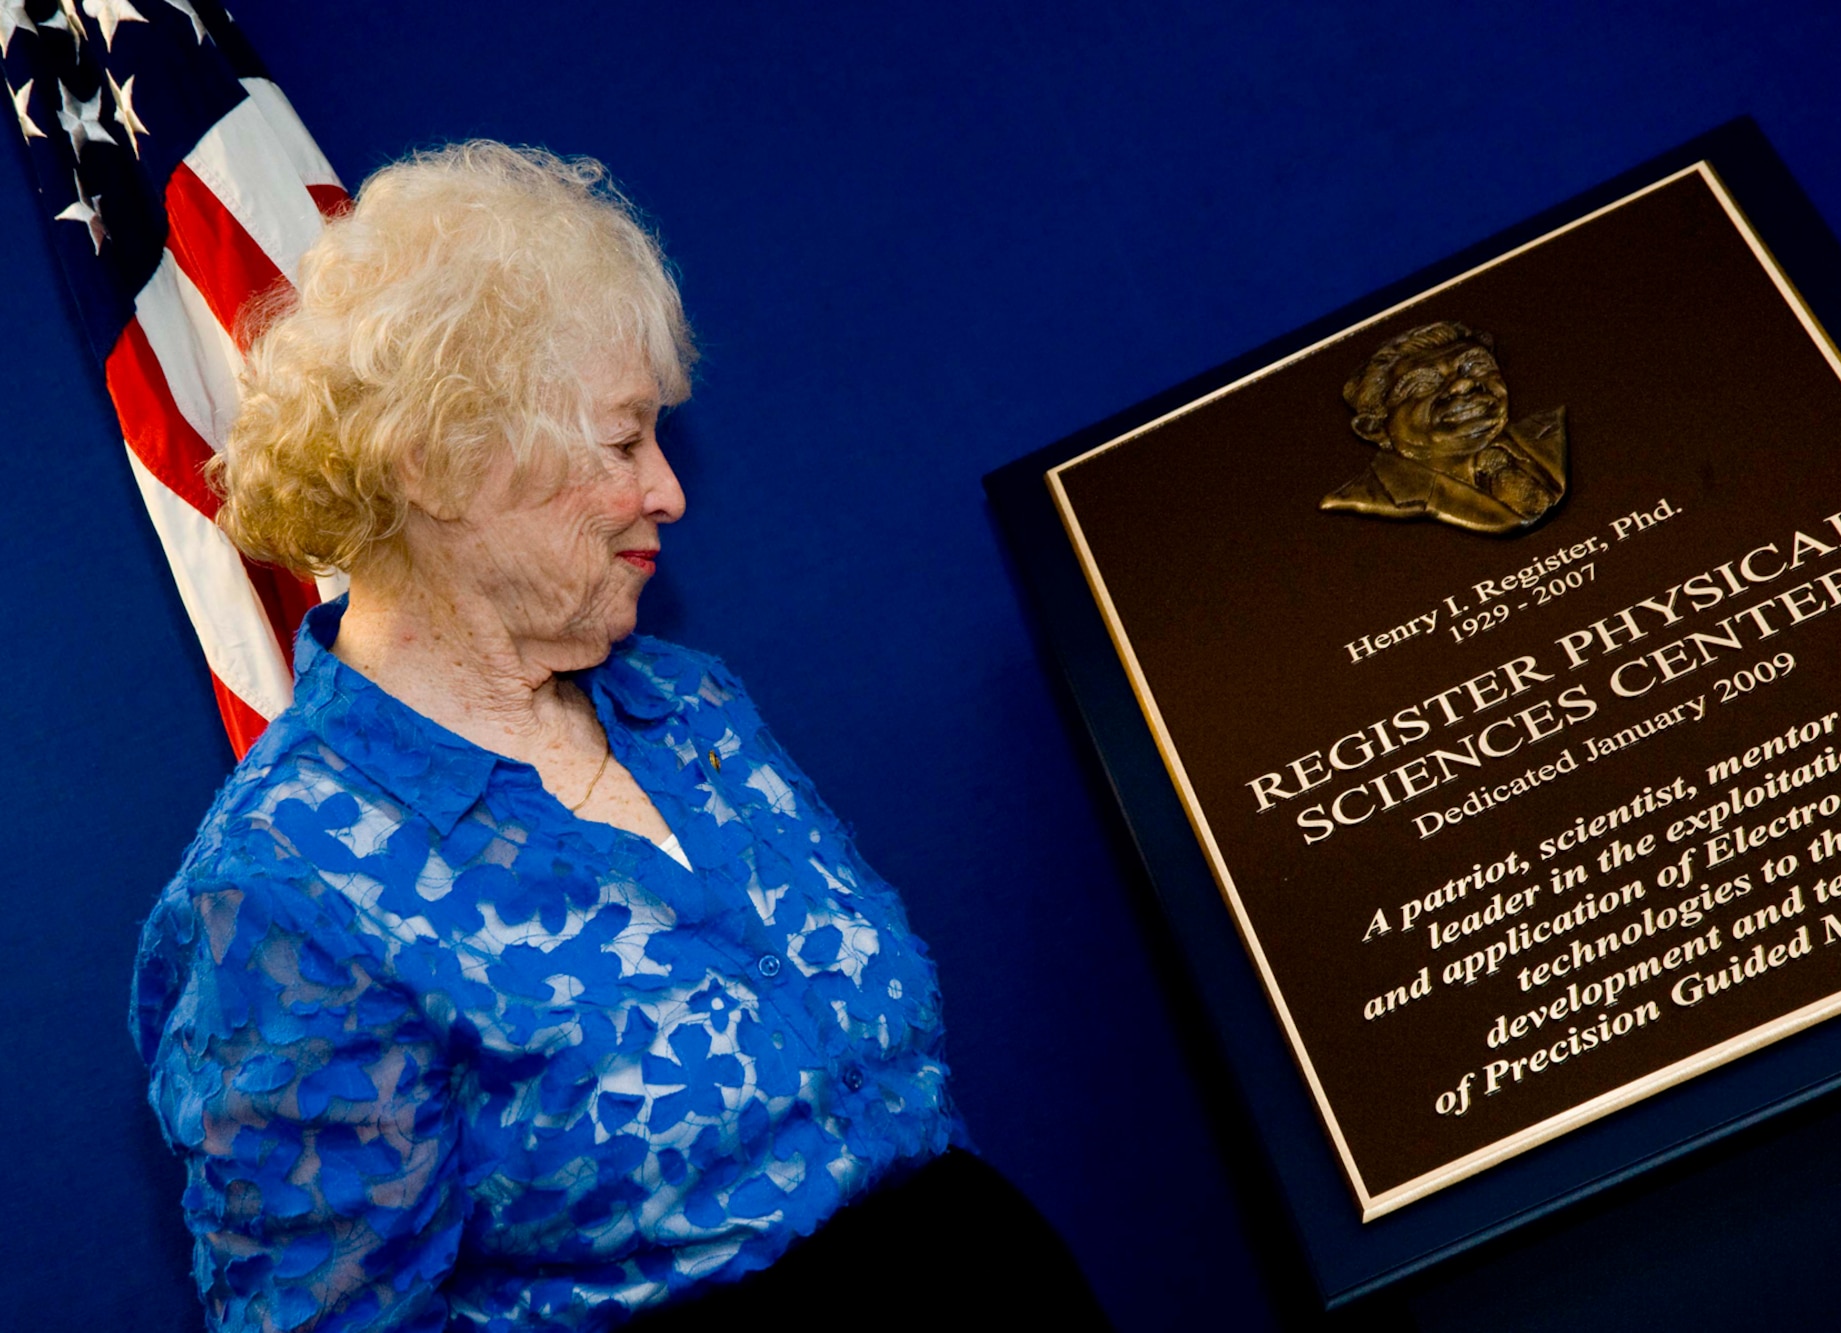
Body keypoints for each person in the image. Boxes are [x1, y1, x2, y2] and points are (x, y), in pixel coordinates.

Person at [130, 142, 1105, 1331]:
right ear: (439, 463)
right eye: (623, 440)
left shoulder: (689, 709)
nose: (668, 490)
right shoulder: (283, 892)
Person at [1320, 320, 1567, 533]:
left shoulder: (1552, 429)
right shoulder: (1366, 497)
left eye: (1475, 366)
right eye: (1423, 384)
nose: (1462, 385)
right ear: (1374, 428)